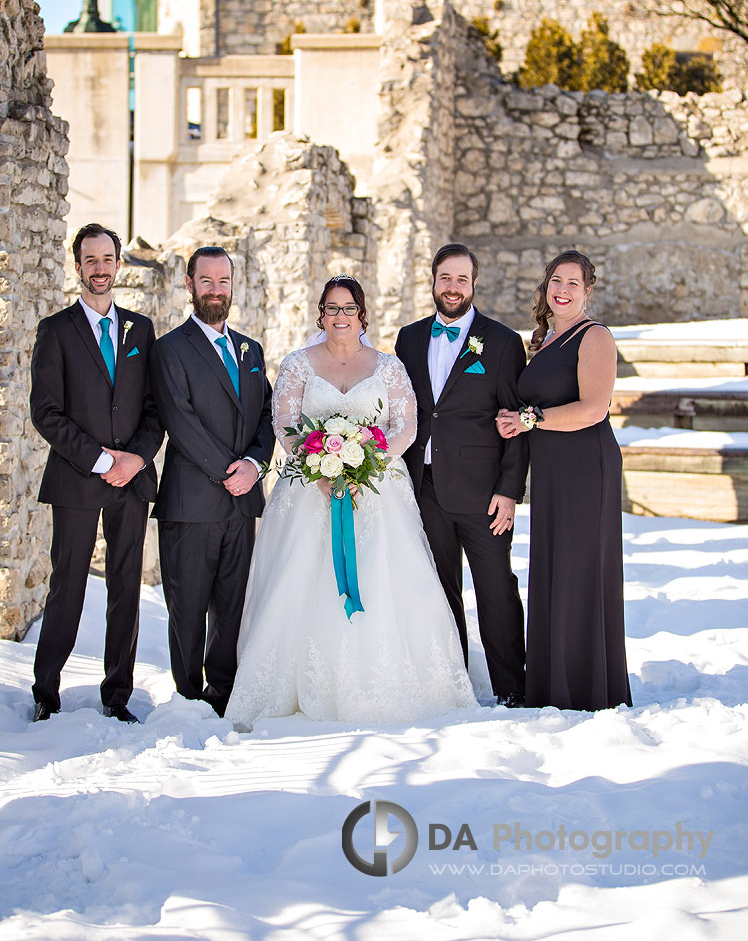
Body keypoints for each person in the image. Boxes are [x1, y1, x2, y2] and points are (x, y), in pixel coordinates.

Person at [226, 275, 475, 726]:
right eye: (332, 308)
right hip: (308, 488)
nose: (341, 316)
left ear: (363, 314)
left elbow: (407, 424)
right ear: (321, 314)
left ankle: (389, 687)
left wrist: (369, 465)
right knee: (300, 577)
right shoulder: (299, 364)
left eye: (349, 308)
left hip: (377, 490)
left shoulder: (388, 366)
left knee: (386, 578)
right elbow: (283, 422)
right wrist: (319, 465)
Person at [30, 223, 164, 724]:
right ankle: (46, 691)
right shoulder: (56, 331)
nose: (100, 269)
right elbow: (45, 412)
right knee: (67, 585)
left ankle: (117, 695)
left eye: (108, 259)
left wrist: (136, 458)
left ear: (118, 265)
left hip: (131, 482)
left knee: (126, 586)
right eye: (91, 260)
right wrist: (102, 459)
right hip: (76, 479)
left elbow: (156, 408)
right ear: (78, 265)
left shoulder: (140, 330)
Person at [496, 250, 632, 712]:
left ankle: (587, 688)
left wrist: (530, 418)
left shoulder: (594, 337)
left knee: (581, 571)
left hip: (584, 467)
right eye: (557, 280)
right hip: (553, 472)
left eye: (574, 283)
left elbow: (594, 408)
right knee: (555, 568)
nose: (563, 290)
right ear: (546, 287)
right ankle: (554, 683)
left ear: (587, 292)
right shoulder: (548, 340)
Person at [395, 244, 528, 707]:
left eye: (462, 280)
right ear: (433, 281)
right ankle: (453, 686)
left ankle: (513, 688)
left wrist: (509, 491)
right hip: (424, 486)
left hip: (483, 493)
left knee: (496, 590)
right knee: (439, 589)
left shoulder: (503, 342)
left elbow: (514, 423)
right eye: (445, 278)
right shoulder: (408, 339)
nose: (452, 288)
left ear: (474, 285)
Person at [150, 247, 274, 718]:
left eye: (223, 281)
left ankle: (223, 692)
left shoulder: (251, 350)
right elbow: (180, 422)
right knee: (188, 604)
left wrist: (255, 465)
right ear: (189, 284)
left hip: (242, 504)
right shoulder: (170, 349)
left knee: (231, 603)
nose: (216, 290)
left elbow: (265, 415)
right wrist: (230, 471)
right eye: (207, 281)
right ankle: (187, 696)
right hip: (191, 501)